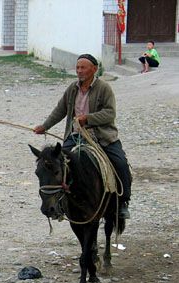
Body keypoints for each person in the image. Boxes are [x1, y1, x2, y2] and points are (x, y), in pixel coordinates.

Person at [33, 54, 132, 219]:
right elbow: (60, 110)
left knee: (120, 163)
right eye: (78, 67)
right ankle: (59, 203)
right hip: (76, 135)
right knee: (53, 163)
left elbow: (110, 113)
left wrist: (88, 118)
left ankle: (122, 203)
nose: (79, 71)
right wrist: (45, 126)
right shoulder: (72, 89)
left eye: (83, 67)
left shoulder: (104, 88)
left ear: (94, 69)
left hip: (101, 136)